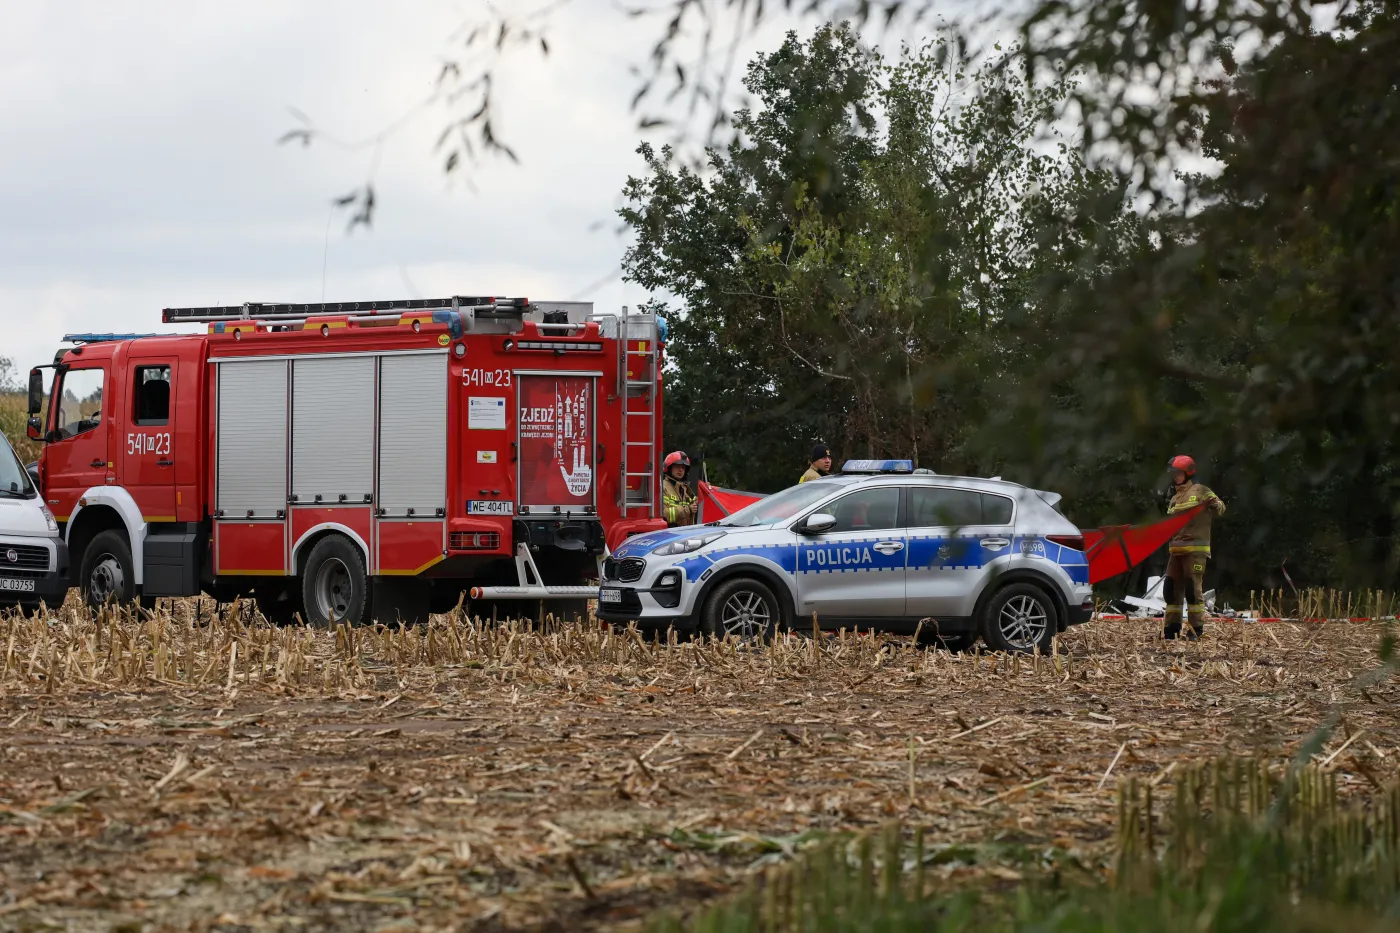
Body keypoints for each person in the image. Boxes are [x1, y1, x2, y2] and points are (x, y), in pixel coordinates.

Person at [1162, 455, 1227, 640]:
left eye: (1178, 473)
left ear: (1188, 473)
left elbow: (1221, 509)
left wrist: (1214, 504)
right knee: (1170, 590)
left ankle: (1194, 630)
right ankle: (1171, 630)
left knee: (1193, 590)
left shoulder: (1201, 491)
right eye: (1173, 474)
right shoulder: (1174, 498)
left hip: (1195, 551)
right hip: (1176, 551)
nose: (1175, 477)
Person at [661, 451, 697, 527]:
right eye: (677, 466)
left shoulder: (685, 489)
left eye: (683, 468)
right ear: (669, 468)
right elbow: (664, 515)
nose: (680, 470)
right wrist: (687, 510)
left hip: (684, 534)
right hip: (669, 534)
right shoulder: (662, 487)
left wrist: (707, 492)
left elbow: (696, 506)